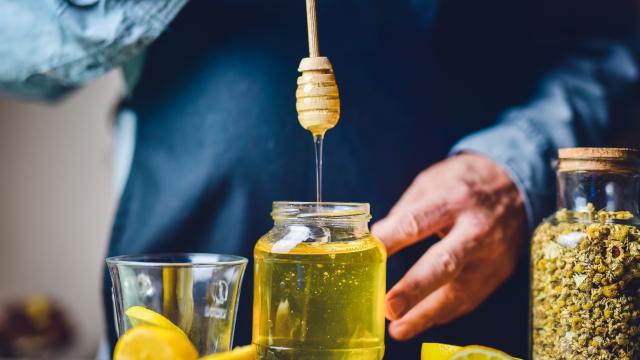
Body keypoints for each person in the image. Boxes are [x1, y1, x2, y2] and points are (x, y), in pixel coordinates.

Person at [1, 0, 638, 357]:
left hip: (473, 287)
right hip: (199, 236)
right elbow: (16, 51)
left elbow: (614, 36)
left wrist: (517, 163)